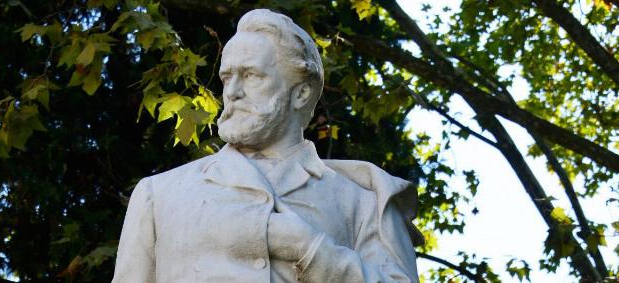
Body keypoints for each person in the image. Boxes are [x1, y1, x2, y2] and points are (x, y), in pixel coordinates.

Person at [112, 9, 421, 283]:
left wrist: (309, 248)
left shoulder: (363, 203)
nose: (232, 92)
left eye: (250, 76)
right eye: (226, 77)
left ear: (300, 93)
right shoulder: (159, 195)